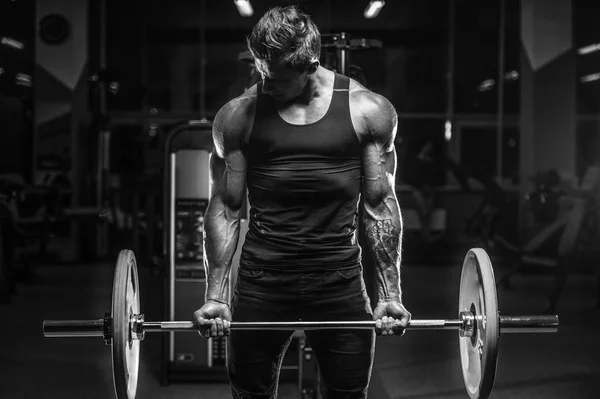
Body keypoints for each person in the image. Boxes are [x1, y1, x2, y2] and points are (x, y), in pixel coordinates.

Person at [193, 6, 411, 399]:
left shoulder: (368, 111)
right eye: (261, 69)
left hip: (339, 281)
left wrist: (390, 296)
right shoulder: (238, 117)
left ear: (309, 65)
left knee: (348, 392)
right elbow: (226, 209)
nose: (264, 81)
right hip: (263, 281)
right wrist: (215, 297)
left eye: (275, 77)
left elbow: (380, 207)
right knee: (249, 393)